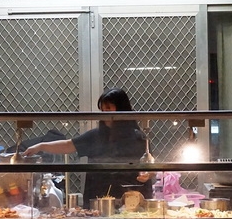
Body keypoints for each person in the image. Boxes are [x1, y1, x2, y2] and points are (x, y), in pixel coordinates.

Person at [22, 87, 153, 206]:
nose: (104, 113)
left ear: (122, 109)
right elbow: (68, 145)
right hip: (98, 198)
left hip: (131, 200)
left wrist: (149, 172)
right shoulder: (96, 135)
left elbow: (149, 161)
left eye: (108, 108)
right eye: (102, 109)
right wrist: (40, 146)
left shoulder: (137, 137)